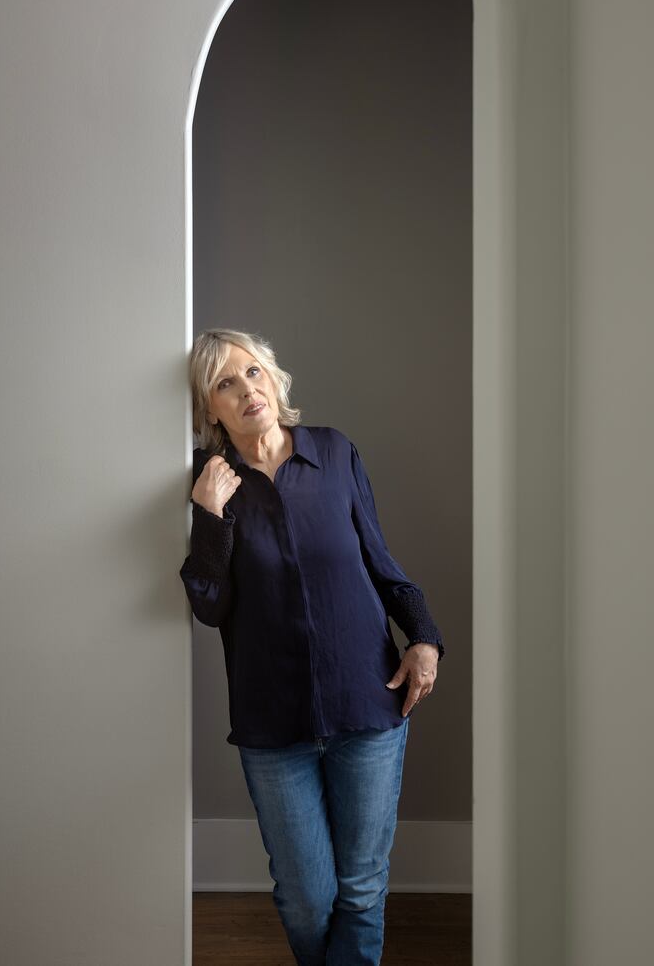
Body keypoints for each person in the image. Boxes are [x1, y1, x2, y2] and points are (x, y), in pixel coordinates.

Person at [180, 327, 445, 966]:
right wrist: (211, 518)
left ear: (273, 378)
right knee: (305, 898)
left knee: (361, 890)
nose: (247, 390)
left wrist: (425, 637)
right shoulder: (207, 482)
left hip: (368, 701)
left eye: (253, 373)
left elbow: (379, 559)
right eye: (225, 383)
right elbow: (209, 606)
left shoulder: (333, 451)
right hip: (273, 721)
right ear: (207, 409)